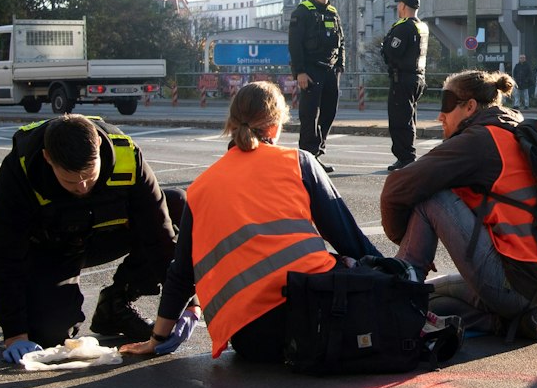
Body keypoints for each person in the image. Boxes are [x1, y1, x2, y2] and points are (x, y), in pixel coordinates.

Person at [119, 82, 385, 363]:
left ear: (232, 123)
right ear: (274, 127)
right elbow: (348, 238)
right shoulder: (299, 162)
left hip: (253, 340)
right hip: (317, 316)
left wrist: (157, 340)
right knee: (344, 262)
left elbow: (182, 273)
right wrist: (397, 277)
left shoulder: (200, 189)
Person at [380, 69, 537, 340]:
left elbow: (397, 187)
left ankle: (396, 298)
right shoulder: (518, 130)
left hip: (516, 282)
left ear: (470, 106)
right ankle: (511, 322)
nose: (440, 116)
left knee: (431, 196)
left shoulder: (479, 140)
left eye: (447, 106)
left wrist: (405, 237)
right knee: (432, 298)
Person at [0, 113, 182, 364]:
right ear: (48, 158)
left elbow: (161, 238)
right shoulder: (19, 169)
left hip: (104, 237)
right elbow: (5, 256)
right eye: (71, 181)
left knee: (177, 205)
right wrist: (14, 334)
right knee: (51, 336)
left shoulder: (127, 155)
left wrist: (185, 305)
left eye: (90, 175)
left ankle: (115, 306)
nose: (83, 187)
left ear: (98, 146)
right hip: (51, 247)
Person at [288, 0, 344, 173]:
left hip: (330, 71)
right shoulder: (302, 12)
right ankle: (306, 158)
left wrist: (340, 66)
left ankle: (317, 152)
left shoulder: (332, 13)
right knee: (309, 114)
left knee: (329, 111)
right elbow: (294, 45)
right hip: (310, 70)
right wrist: (300, 72)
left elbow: (341, 42)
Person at [382, 0, 428, 171]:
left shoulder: (403, 27)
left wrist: (386, 47)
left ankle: (405, 157)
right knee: (409, 117)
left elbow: (393, 51)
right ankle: (407, 155)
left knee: (399, 119)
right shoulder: (421, 26)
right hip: (418, 77)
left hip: (402, 78)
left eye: (398, 5)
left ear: (402, 6)